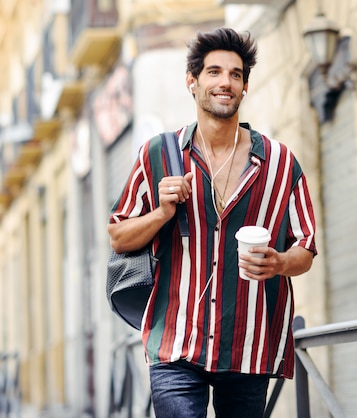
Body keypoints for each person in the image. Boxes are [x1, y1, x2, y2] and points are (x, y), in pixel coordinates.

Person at [108, 27, 317, 417]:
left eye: (235, 74)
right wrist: (161, 213)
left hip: (247, 344)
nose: (225, 82)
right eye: (214, 72)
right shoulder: (158, 155)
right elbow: (118, 235)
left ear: (245, 87)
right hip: (175, 343)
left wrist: (279, 263)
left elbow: (305, 246)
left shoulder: (281, 163)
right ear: (193, 81)